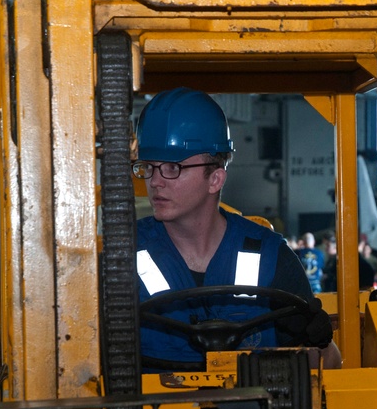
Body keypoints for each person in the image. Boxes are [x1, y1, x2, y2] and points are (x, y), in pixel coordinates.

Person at [132, 87, 340, 370]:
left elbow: (327, 364)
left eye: (172, 167)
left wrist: (320, 342)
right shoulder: (125, 255)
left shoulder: (271, 257)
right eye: (148, 167)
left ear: (215, 179)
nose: (155, 181)